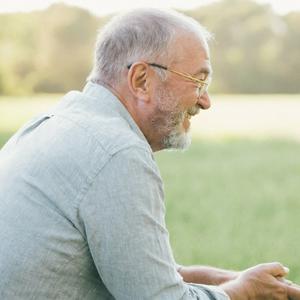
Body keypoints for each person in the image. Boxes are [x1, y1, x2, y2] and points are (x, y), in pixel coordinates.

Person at [0, 8, 299, 300]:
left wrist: (232, 280)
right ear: (142, 80)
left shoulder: (55, 122)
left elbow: (142, 273)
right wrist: (244, 291)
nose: (206, 101)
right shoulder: (117, 152)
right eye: (198, 81)